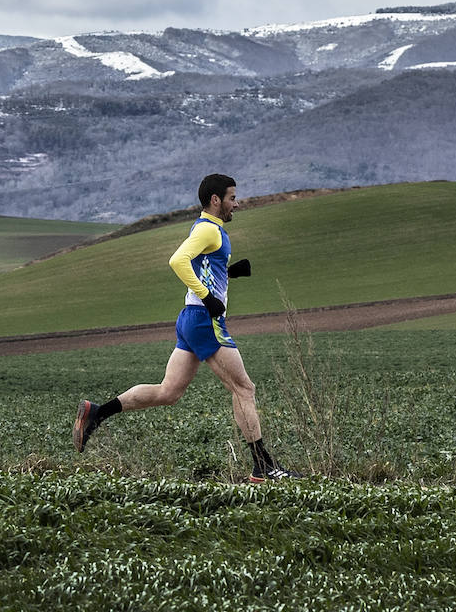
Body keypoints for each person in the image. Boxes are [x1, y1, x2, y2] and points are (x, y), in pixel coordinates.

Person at [73, 173, 300, 482]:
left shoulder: (206, 229)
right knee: (244, 388)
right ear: (216, 200)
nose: (238, 203)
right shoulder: (209, 230)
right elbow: (178, 261)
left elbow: (200, 265)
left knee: (169, 392)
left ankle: (97, 413)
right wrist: (209, 298)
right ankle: (264, 467)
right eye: (233, 198)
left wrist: (227, 273)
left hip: (190, 318)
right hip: (204, 320)